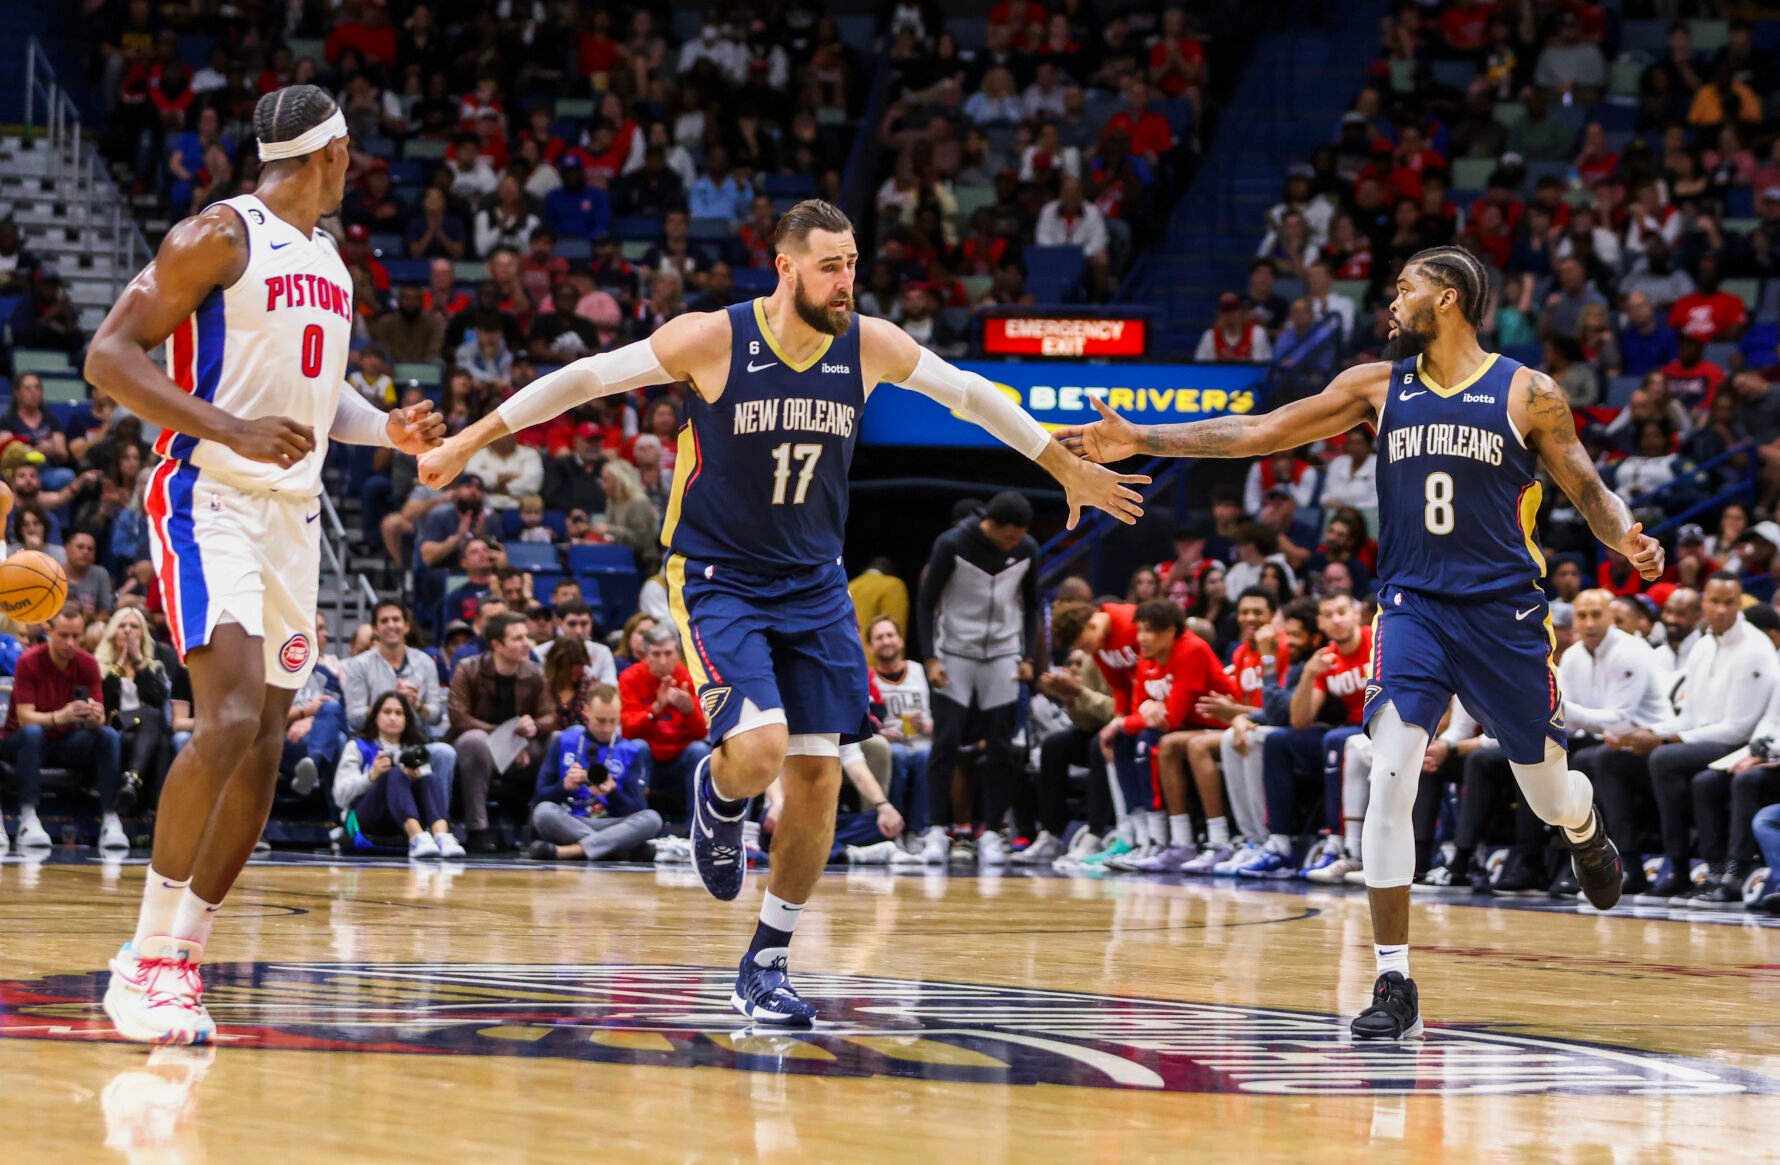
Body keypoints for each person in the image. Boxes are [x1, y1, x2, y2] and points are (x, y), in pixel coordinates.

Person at [416, 198, 1142, 1026]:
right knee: (756, 753)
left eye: (855, 263)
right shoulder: (714, 339)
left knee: (819, 774)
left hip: (814, 582)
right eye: (832, 265)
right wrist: (470, 438)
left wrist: (1061, 465)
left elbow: (970, 394)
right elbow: (585, 379)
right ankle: (718, 796)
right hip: (720, 574)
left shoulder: (868, 344)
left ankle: (765, 961)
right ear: (787, 267)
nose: (848, 281)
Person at [1062, 244, 1663, 1040]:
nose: (1391, 302)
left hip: (1505, 615)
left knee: (1548, 791)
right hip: (1412, 606)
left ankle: (1585, 828)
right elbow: (1262, 431)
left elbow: (1586, 485)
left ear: (1446, 297)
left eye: (1405, 288)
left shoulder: (1529, 393)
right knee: (1388, 770)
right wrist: (1145, 439)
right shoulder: (1375, 387)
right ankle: (1394, 979)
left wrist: (1627, 539)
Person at [83, 85, 446, 1046]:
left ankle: (182, 956)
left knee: (268, 737)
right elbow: (108, 358)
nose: (353, 165)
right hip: (207, 496)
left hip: (294, 517)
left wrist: (389, 432)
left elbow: (323, 401)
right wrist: (229, 426)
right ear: (327, 152)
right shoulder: (218, 233)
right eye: (348, 152)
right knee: (231, 710)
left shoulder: (331, 262)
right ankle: (143, 957)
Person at [915, 491, 1040, 865]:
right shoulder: (952, 544)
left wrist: (1029, 655)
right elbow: (925, 601)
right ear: (993, 525)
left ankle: (992, 830)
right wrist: (930, 658)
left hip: (1002, 654)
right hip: (955, 653)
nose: (1014, 544)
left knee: (1001, 746)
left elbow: (1032, 603)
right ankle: (937, 829)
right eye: (1009, 537)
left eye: (1019, 537)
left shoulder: (1027, 549)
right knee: (947, 741)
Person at [1, 603, 123, 847]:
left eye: (76, 636)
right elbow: (25, 718)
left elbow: (98, 719)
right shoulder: (29, 661)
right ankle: (28, 818)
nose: (70, 643)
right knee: (34, 732)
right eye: (63, 636)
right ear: (49, 632)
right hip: (19, 742)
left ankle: (111, 819)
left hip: (64, 741)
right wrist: (61, 716)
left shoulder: (88, 663)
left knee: (108, 735)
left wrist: (94, 716)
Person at [448, 611, 557, 851]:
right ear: (497, 644)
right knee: (473, 740)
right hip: (481, 749)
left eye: (526, 636)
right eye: (517, 638)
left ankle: (543, 825)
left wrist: (534, 726)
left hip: (524, 748)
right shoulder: (468, 669)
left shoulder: (535, 671)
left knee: (558, 740)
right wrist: (507, 739)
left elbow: (550, 715)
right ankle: (477, 829)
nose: (527, 643)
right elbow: (459, 718)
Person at [526, 683, 663, 861]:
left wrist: (613, 792)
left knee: (652, 819)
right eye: (600, 720)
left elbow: (637, 809)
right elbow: (539, 799)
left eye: (613, 721)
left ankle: (569, 851)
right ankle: (617, 851)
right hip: (572, 819)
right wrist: (564, 786)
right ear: (586, 711)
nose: (606, 728)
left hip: (612, 823)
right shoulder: (564, 741)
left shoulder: (630, 751)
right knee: (543, 812)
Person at [333, 691, 460, 859]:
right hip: (366, 818)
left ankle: (442, 837)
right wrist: (371, 776)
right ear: (375, 717)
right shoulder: (357, 747)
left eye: (398, 713)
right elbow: (340, 796)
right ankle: (417, 837)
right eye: (387, 712)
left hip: (401, 818)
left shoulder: (414, 750)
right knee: (393, 774)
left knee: (429, 778)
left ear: (406, 719)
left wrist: (415, 778)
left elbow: (428, 793)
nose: (393, 717)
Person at [616, 625, 710, 820]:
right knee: (636, 747)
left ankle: (696, 829)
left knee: (700, 751)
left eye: (668, 653)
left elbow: (702, 733)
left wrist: (689, 710)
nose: (663, 661)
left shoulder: (688, 677)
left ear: (677, 653)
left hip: (680, 757)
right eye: (656, 654)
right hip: (648, 756)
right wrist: (655, 710)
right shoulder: (630, 678)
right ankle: (637, 826)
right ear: (645, 655)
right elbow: (627, 731)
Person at [97, 607, 170, 817]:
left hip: (144, 732)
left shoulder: (154, 667)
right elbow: (104, 699)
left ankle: (136, 791)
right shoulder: (97, 665)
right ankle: (135, 784)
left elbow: (159, 700)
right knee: (152, 716)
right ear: (112, 632)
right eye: (122, 626)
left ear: (143, 634)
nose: (128, 631)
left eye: (134, 626)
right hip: (112, 725)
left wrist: (138, 660)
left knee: (160, 731)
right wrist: (119, 664)